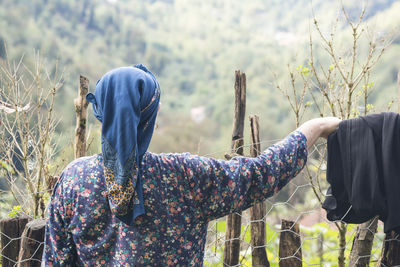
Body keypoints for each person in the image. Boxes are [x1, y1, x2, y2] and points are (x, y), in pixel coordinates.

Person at [42, 65, 340, 266]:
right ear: (149, 118)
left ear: (101, 113)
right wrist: (315, 126)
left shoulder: (72, 181)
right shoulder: (183, 177)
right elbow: (262, 174)